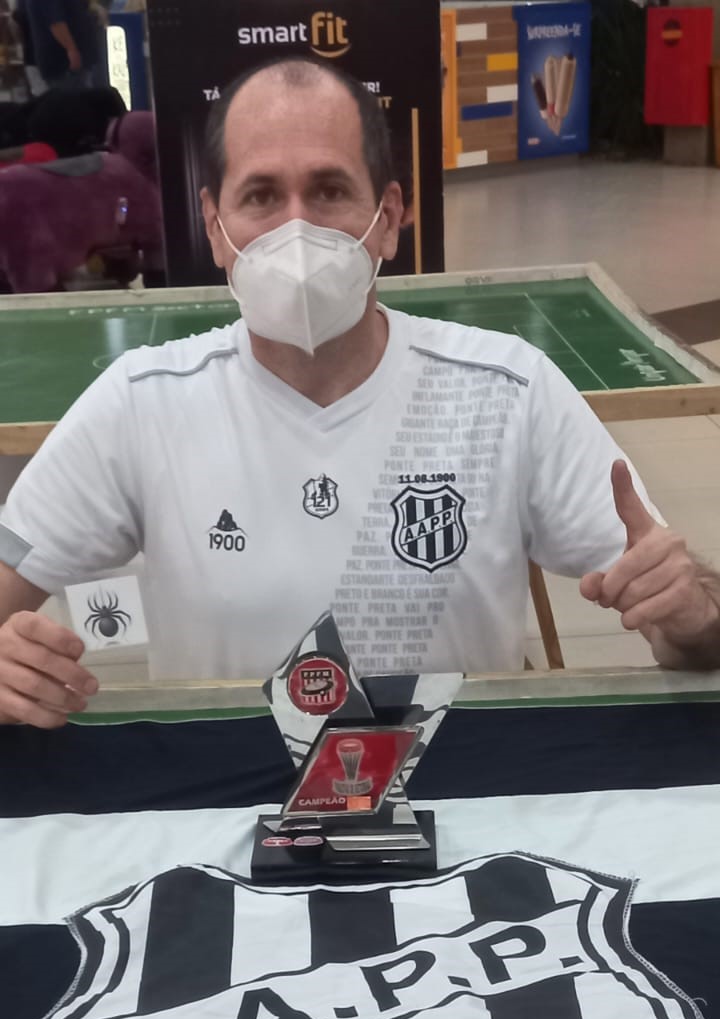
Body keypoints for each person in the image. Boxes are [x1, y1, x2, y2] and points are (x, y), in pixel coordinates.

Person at [0, 57, 719, 729]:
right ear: (215, 227)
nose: (296, 229)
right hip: (223, 799)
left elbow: (688, 629)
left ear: (391, 215)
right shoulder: (138, 403)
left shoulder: (509, 390)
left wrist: (693, 618)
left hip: (457, 795)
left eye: (329, 190)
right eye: (261, 195)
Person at [22, 0, 104, 90]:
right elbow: (56, 23)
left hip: (77, 60)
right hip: (63, 62)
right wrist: (71, 50)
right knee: (73, 95)